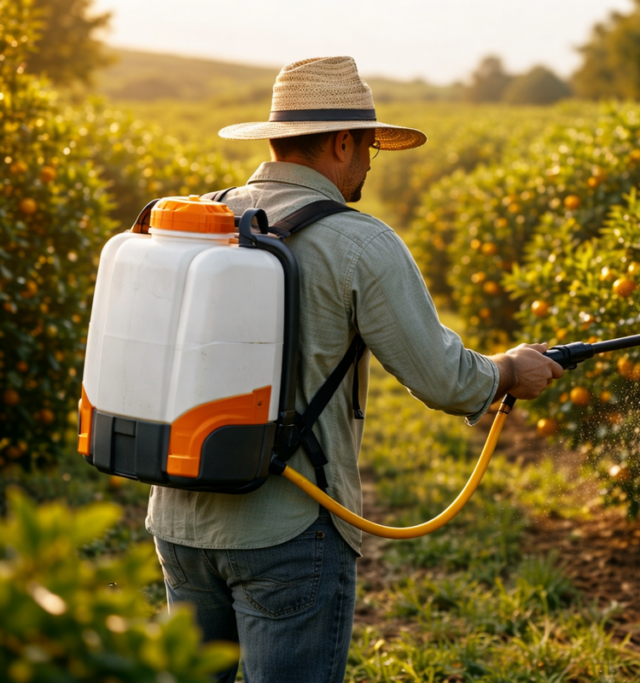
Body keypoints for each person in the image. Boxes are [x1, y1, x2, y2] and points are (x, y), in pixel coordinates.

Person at [145, 56, 563, 683]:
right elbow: (444, 379)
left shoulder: (196, 219)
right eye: (368, 146)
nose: (369, 162)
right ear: (343, 141)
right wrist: (508, 371)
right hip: (287, 530)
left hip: (179, 518)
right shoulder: (360, 243)